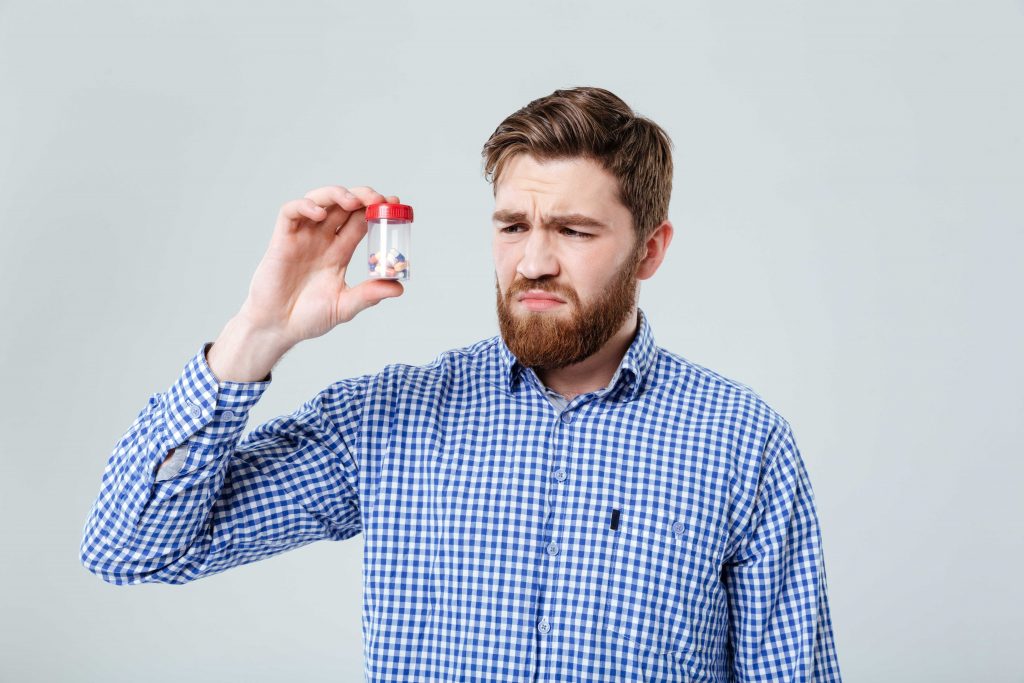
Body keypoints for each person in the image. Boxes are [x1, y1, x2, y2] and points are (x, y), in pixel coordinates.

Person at [80, 86, 842, 682]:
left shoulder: (743, 444)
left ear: (649, 250)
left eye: (574, 232)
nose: (534, 261)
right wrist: (256, 333)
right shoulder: (391, 419)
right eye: (513, 226)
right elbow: (130, 548)